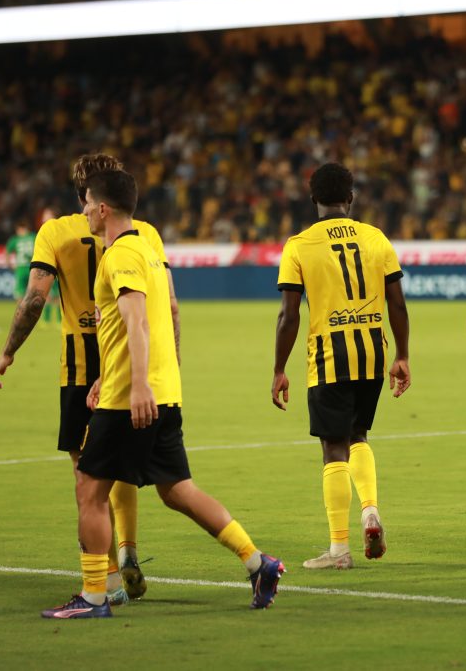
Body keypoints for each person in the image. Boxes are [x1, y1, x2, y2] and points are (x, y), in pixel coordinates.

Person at [42, 169, 283, 618]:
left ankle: (94, 597)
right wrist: (109, 376)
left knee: (90, 491)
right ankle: (257, 562)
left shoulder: (120, 255)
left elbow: (137, 321)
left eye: (88, 203)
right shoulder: (147, 251)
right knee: (177, 490)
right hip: (161, 391)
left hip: (130, 399)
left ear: (103, 208)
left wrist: (134, 385)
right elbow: (155, 315)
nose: (84, 211)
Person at [0, 154, 179, 604]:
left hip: (80, 364)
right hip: (133, 358)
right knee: (124, 464)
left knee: (88, 476)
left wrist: (8, 351)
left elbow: (35, 300)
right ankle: (128, 550)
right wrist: (166, 366)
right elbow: (170, 307)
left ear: (84, 194)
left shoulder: (55, 232)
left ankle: (105, 579)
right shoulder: (145, 232)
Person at [272, 162, 411, 570]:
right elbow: (397, 304)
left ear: (313, 198)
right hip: (372, 352)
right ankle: (370, 510)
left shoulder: (299, 245)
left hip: (329, 357)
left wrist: (279, 368)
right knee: (359, 435)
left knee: (333, 447)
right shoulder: (375, 237)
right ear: (350, 198)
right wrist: (402, 355)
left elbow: (289, 315)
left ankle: (338, 549)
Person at [5, 219, 35, 302]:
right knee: (35, 293)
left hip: (21, 268)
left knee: (20, 294)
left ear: (20, 228)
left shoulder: (15, 239)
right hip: (33, 268)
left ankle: (21, 309)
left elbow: (7, 251)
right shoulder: (34, 237)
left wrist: (9, 264)